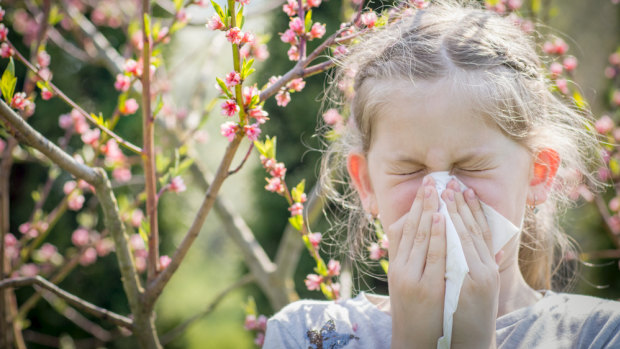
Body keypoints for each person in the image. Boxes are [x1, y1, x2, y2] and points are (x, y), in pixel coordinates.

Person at [263, 0, 620, 348]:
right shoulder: (308, 335)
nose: (440, 194)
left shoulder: (599, 334)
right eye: (409, 170)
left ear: (538, 173)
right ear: (367, 183)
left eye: (471, 167)